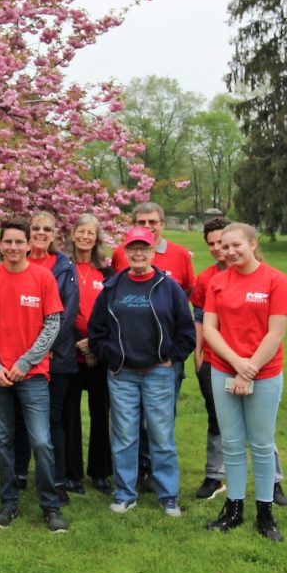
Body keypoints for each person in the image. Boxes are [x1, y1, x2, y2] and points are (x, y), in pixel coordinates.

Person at [88, 226, 195, 518]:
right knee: (124, 436)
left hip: (158, 372)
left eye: (144, 248)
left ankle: (168, 496)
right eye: (133, 248)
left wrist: (172, 357)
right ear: (125, 251)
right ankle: (125, 494)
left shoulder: (168, 287)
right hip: (122, 373)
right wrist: (110, 354)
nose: (138, 253)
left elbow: (186, 331)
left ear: (152, 251)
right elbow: (96, 331)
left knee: (161, 435)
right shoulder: (113, 287)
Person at [203, 223, 287, 541]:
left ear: (253, 244)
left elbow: (276, 332)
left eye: (236, 245)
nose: (229, 252)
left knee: (261, 444)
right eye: (224, 246)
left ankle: (265, 513)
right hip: (224, 368)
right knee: (231, 443)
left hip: (264, 372)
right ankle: (233, 508)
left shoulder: (275, 280)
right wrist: (236, 364)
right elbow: (210, 329)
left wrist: (249, 369)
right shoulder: (218, 282)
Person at [0, 220, 69, 533]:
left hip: (33, 375)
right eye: (8, 242)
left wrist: (26, 362)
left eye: (19, 242)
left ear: (29, 245)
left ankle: (50, 505)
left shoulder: (42, 277)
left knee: (41, 441)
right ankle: (8, 503)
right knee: (2, 440)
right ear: (0, 245)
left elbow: (52, 324)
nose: (14, 247)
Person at [110, 202, 195, 492]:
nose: (148, 227)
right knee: (128, 426)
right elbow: (108, 308)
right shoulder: (119, 256)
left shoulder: (180, 256)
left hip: (163, 360)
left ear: (162, 225)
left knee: (159, 423)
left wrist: (173, 353)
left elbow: (186, 299)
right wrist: (112, 353)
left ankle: (160, 482)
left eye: (153, 222)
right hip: (126, 363)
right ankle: (136, 475)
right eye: (141, 222)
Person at [20, 211, 79, 504]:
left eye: (47, 229)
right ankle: (19, 474)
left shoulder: (65, 267)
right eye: (36, 228)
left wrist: (43, 347)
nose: (41, 233)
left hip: (57, 355)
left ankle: (57, 479)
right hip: (20, 355)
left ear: (54, 234)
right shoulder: (18, 262)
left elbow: (67, 312)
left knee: (53, 419)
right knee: (20, 418)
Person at [64, 213, 114, 494]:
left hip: (99, 353)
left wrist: (94, 343)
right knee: (69, 414)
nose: (84, 237)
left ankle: (100, 471)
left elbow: (113, 313)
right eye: (80, 231)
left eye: (90, 233)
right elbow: (57, 308)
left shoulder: (107, 273)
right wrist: (78, 342)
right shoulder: (62, 268)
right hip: (69, 352)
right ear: (72, 235)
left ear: (97, 239)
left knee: (101, 413)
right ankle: (71, 473)